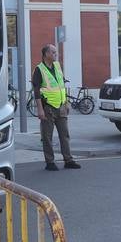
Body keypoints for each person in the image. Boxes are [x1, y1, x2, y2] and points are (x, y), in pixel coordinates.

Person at [32, 43, 80, 171]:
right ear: (46, 54)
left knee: (64, 135)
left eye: (55, 52)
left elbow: (62, 85)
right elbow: (36, 90)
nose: (55, 54)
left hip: (61, 106)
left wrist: (66, 102)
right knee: (47, 137)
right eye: (53, 52)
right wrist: (40, 109)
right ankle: (50, 162)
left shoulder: (58, 66)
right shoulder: (39, 69)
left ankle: (68, 160)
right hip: (47, 107)